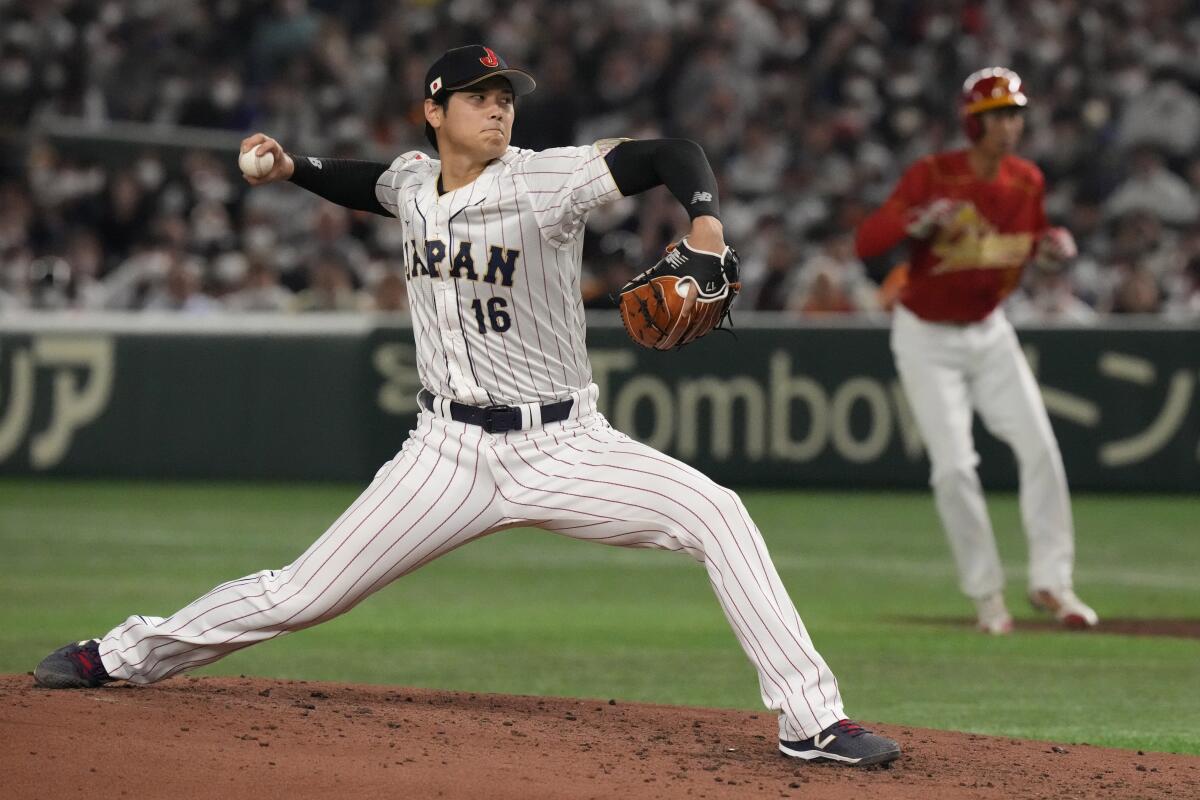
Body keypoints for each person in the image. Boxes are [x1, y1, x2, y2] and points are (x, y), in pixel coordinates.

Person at [34, 45, 899, 768]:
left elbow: (669, 152)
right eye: (479, 98)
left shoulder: (546, 182)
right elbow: (368, 182)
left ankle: (811, 721)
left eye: (506, 98)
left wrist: (704, 225)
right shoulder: (415, 181)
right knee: (302, 593)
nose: (499, 111)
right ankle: (120, 654)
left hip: (564, 445)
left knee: (718, 512)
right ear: (434, 111)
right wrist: (295, 168)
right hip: (443, 453)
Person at [855, 67, 1099, 635]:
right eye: (997, 116)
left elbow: (1026, 248)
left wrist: (1052, 248)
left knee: (1040, 447)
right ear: (974, 122)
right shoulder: (932, 173)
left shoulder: (1026, 180)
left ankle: (1053, 582)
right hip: (926, 334)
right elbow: (868, 242)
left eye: (1014, 114)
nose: (1010, 125)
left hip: (990, 331)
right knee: (954, 468)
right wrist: (917, 220)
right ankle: (988, 597)